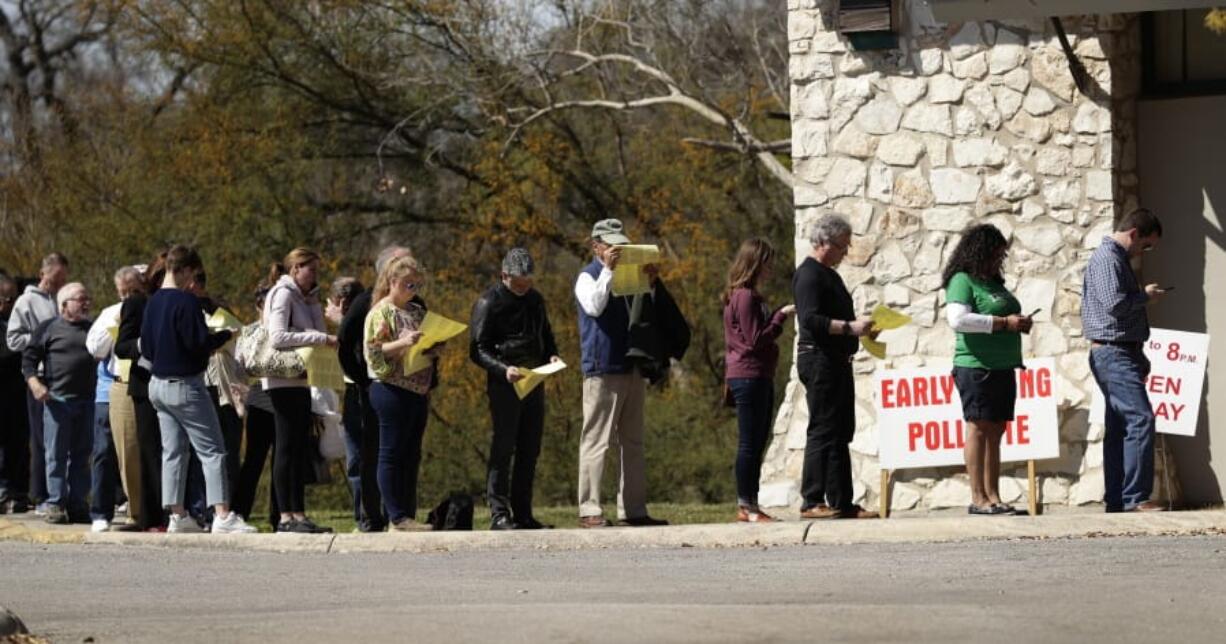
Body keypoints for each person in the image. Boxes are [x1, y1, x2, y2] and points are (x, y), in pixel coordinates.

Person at [141, 245, 255, 534]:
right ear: (184, 270)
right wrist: (223, 336)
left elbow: (148, 347)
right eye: (193, 273)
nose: (194, 281)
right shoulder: (187, 302)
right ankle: (223, 515)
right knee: (213, 451)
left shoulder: (152, 302)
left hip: (157, 385)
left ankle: (177, 516)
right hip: (185, 385)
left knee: (173, 452)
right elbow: (198, 343)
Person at [573, 219, 669, 528]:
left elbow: (644, 316)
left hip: (631, 365)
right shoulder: (587, 277)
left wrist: (651, 284)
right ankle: (589, 509)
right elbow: (595, 307)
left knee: (633, 441)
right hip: (603, 369)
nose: (618, 251)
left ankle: (633, 509)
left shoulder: (629, 276)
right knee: (597, 440)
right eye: (612, 246)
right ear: (596, 246)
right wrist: (609, 271)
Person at [942, 225, 1033, 516]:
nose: (999, 259)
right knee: (979, 427)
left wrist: (1020, 323)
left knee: (997, 430)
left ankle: (994, 496)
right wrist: (1004, 324)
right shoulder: (962, 280)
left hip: (1003, 366)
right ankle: (978, 497)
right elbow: (958, 320)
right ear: (980, 251)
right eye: (996, 253)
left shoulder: (994, 282)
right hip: (976, 367)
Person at [1083, 208, 1168, 513]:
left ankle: (1119, 498)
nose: (1143, 252)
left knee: (1120, 425)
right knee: (1140, 418)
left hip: (1120, 351)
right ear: (1134, 234)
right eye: (1145, 245)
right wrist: (1145, 295)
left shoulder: (1115, 259)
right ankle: (1134, 497)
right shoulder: (1108, 259)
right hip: (1113, 351)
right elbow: (1115, 304)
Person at [793, 214, 878, 520]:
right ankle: (811, 500)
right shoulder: (809, 275)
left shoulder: (830, 275)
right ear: (824, 242)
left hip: (838, 361)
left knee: (841, 430)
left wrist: (861, 330)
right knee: (823, 429)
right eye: (842, 246)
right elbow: (811, 320)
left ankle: (842, 500)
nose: (845, 252)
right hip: (819, 360)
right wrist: (849, 328)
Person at [470, 248, 560, 530]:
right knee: (503, 447)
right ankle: (499, 512)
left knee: (529, 448)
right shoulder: (488, 302)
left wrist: (552, 356)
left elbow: (545, 334)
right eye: (519, 282)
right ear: (504, 276)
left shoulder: (535, 300)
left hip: (534, 379)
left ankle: (524, 512)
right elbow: (477, 350)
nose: (524, 287)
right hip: (505, 383)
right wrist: (502, 369)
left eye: (528, 282)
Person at [337, 246, 417, 532]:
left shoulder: (413, 303)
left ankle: (404, 511)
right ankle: (373, 516)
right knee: (372, 454)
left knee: (406, 453)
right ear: (390, 273)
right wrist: (361, 379)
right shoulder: (367, 303)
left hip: (411, 388)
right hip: (374, 387)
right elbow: (346, 343)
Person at [263, 248, 336, 534]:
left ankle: (299, 513)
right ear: (295, 269)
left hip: (302, 378)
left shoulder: (303, 298)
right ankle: (285, 516)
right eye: (311, 270)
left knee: (300, 446)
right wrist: (319, 337)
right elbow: (277, 336)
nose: (315, 276)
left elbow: (319, 330)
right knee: (285, 446)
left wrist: (314, 304)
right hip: (282, 379)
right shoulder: (282, 294)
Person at [722, 239, 795, 523]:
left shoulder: (742, 296)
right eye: (767, 262)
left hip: (755, 375)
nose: (771, 269)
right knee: (750, 443)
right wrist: (779, 317)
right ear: (754, 263)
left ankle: (750, 503)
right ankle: (746, 506)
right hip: (749, 375)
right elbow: (754, 340)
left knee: (756, 441)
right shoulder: (745, 297)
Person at [363, 255, 434, 532]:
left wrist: (433, 347)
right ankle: (396, 516)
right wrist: (402, 342)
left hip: (417, 389)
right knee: (390, 452)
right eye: (408, 284)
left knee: (410, 453)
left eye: (416, 284)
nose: (412, 289)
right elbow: (373, 351)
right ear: (393, 282)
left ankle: (407, 512)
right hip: (390, 389)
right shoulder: (381, 312)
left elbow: (424, 341)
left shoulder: (416, 311)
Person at [21, 282, 94, 524]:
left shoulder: (93, 329)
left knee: (82, 456)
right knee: (56, 455)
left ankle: (78, 504)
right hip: (57, 403)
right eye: (80, 299)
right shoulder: (48, 328)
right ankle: (55, 503)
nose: (86, 303)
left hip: (87, 402)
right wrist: (35, 384)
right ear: (64, 305)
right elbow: (29, 359)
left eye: (87, 299)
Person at [6, 252, 69, 513]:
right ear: (43, 274)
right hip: (39, 378)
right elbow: (13, 339)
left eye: (63, 279)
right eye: (56, 278)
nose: (59, 283)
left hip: (62, 377)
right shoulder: (26, 301)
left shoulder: (58, 300)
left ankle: (60, 492)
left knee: (62, 439)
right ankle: (42, 494)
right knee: (43, 438)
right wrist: (40, 338)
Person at [84, 266, 145, 531]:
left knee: (138, 452)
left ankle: (139, 508)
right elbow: (95, 349)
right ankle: (100, 511)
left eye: (133, 291)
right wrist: (118, 324)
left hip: (141, 384)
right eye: (123, 292)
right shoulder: (111, 312)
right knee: (104, 451)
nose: (128, 297)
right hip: (110, 387)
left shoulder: (148, 309)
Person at [114, 255, 168, 531]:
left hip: (173, 381)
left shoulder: (175, 303)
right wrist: (144, 344)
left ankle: (174, 512)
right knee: (150, 450)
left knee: (173, 450)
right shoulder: (137, 303)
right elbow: (121, 346)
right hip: (145, 385)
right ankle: (151, 516)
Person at [232, 284, 280, 528]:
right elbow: (238, 368)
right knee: (253, 461)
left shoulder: (286, 329)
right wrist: (243, 393)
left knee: (281, 462)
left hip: (284, 403)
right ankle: (239, 512)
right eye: (265, 306)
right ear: (258, 306)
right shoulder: (248, 332)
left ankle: (280, 516)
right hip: (259, 403)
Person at [327, 276, 367, 529]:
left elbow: (358, 347)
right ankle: (366, 514)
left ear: (341, 303)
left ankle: (365, 517)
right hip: (358, 391)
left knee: (358, 459)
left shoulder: (357, 320)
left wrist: (342, 321)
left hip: (359, 390)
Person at [0, 273, 32, 514]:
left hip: (16, 393)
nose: (9, 305)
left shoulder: (16, 322)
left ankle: (18, 491)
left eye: (12, 300)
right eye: (7, 299)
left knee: (18, 443)